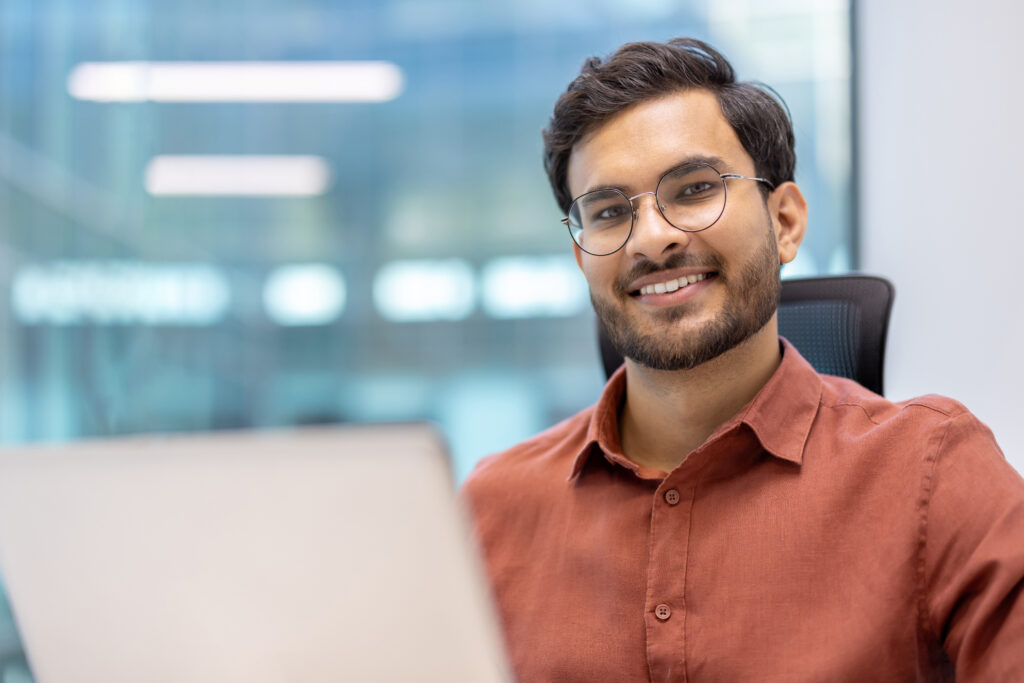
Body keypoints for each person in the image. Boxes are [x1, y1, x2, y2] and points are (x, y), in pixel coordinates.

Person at [461, 38, 1024, 682]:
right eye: (610, 212)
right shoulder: (487, 513)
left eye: (695, 188)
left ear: (784, 222)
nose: (652, 239)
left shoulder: (934, 473)